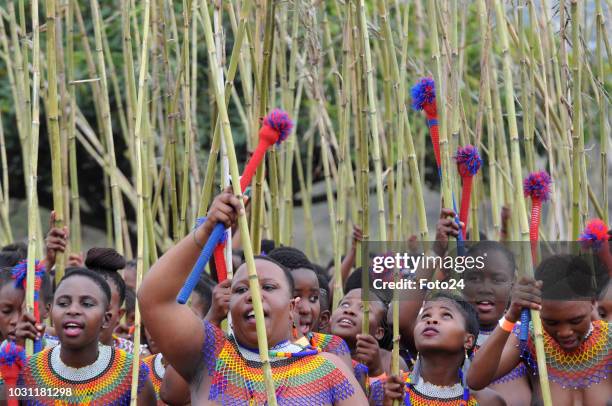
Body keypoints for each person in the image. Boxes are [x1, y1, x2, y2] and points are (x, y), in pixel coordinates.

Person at [138, 189, 365, 404]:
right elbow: (153, 298)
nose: (252, 295)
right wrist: (206, 231)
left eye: (268, 287)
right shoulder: (209, 356)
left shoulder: (329, 370)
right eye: (240, 289)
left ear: (292, 308)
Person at [467, 254, 612, 405]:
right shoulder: (531, 338)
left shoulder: (609, 340)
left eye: (575, 320)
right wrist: (511, 316)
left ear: (593, 302)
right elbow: (476, 380)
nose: (564, 332)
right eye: (551, 322)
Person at [19, 268, 155, 405]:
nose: (72, 310)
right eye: (63, 303)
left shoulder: (132, 374)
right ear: (51, 311)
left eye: (87, 304)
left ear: (106, 319)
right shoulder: (28, 372)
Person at [378, 293, 505, 406]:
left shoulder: (488, 401)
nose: (431, 320)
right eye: (425, 315)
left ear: (468, 340)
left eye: (446, 315)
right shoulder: (389, 389)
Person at [462, 241, 532, 406]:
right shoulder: (448, 335)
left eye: (497, 280)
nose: (485, 288)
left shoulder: (526, 337)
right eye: (474, 278)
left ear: (513, 283)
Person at [268, 246, 352, 365]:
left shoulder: (333, 347)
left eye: (313, 298)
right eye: (296, 296)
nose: (306, 309)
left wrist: (300, 343)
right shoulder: (243, 353)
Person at [330, 288, 408, 381]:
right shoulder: (316, 349)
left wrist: (376, 370)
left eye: (364, 309)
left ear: (379, 332)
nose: (349, 310)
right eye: (345, 304)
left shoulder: (391, 361)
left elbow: (396, 393)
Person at [85, 247, 135, 353]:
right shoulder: (49, 355)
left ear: (119, 314)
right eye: (87, 304)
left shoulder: (137, 360)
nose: (95, 315)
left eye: (105, 307)